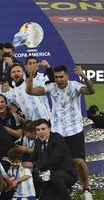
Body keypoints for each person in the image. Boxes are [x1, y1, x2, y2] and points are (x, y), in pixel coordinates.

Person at [25, 65, 94, 199]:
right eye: (56, 77)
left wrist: (84, 77)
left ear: (67, 76)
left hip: (74, 130)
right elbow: (30, 91)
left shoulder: (75, 86)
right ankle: (64, 187)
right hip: (57, 132)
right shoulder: (51, 87)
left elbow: (90, 91)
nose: (59, 79)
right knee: (57, 162)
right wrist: (31, 77)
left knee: (79, 161)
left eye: (61, 76)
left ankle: (86, 189)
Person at [23, 119, 77, 200]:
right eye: (38, 130)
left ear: (49, 129)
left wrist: (34, 164)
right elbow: (33, 156)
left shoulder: (57, 138)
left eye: (43, 129)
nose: (41, 132)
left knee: (55, 176)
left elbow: (54, 159)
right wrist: (20, 163)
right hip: (49, 175)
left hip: (67, 173)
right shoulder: (38, 141)